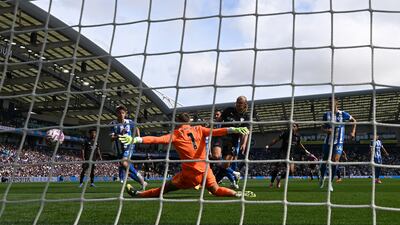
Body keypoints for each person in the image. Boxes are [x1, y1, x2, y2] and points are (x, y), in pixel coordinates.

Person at [119, 113, 255, 198]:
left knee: (164, 189)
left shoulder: (177, 134)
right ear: (189, 121)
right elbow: (217, 131)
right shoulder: (199, 129)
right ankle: (237, 194)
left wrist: (135, 139)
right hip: (206, 170)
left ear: (178, 122)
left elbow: (157, 139)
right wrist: (234, 129)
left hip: (190, 175)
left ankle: (139, 194)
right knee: (216, 190)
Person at [320, 98, 356, 191]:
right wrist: (326, 130)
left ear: (336, 103)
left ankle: (330, 183)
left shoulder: (343, 114)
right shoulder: (326, 115)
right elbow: (322, 127)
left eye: (332, 103)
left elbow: (354, 121)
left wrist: (353, 132)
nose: (330, 105)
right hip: (328, 142)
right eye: (329, 103)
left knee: (335, 160)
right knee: (324, 161)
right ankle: (322, 177)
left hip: (339, 142)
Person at [214, 96, 250, 190]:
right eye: (237, 102)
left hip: (233, 141)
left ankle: (217, 180)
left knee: (226, 165)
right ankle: (233, 174)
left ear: (245, 104)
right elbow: (219, 120)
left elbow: (245, 132)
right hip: (222, 136)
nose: (238, 104)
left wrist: (244, 144)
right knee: (216, 156)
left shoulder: (246, 117)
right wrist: (211, 125)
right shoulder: (229, 110)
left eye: (240, 103)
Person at [110, 105, 147, 190]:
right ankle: (143, 183)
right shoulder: (113, 124)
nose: (121, 114)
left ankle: (141, 179)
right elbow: (111, 139)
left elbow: (136, 128)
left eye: (123, 113)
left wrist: (138, 137)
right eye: (119, 113)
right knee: (126, 170)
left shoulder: (129, 122)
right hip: (119, 149)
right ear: (116, 114)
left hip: (129, 146)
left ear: (125, 113)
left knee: (124, 163)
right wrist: (119, 135)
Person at [265, 123, 311, 188]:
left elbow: (299, 144)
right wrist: (268, 145)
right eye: (291, 126)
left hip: (290, 154)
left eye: (294, 126)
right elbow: (276, 140)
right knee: (277, 168)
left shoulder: (297, 136)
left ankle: (279, 178)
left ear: (297, 128)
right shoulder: (286, 133)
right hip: (282, 153)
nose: (292, 127)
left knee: (291, 171)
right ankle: (271, 183)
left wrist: (305, 150)